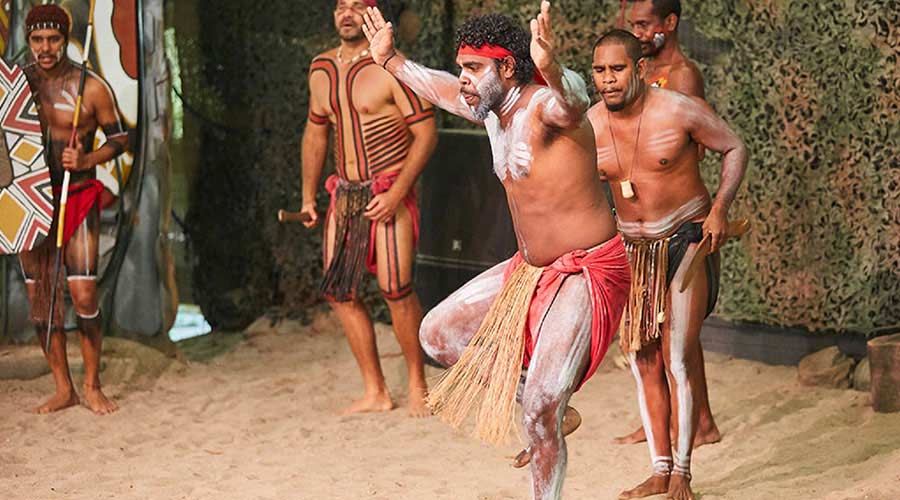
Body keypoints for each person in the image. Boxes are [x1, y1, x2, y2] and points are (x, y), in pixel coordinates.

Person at [363, 3, 630, 498]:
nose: (463, 78)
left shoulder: (546, 108)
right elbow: (441, 88)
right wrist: (391, 60)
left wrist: (551, 65)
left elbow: (572, 100)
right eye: (463, 67)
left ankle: (544, 428)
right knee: (438, 336)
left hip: (584, 271)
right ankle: (545, 404)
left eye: (474, 69)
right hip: (527, 270)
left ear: (507, 67)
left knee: (541, 406)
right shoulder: (489, 108)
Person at [586, 30, 748, 500]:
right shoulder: (590, 124)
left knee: (677, 356)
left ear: (638, 69)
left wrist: (718, 209)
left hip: (685, 241)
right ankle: (659, 471)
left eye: (617, 69)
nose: (607, 80)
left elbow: (734, 147)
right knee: (643, 359)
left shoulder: (678, 109)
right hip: (632, 251)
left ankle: (682, 473)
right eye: (599, 70)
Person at [300, 0, 438, 417]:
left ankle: (417, 382)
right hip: (344, 193)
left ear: (373, 14)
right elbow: (315, 133)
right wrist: (308, 195)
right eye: (341, 5)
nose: (346, 13)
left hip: (388, 190)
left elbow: (426, 135)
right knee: (340, 291)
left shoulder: (393, 67)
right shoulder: (321, 68)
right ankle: (375, 390)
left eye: (356, 6)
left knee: (396, 290)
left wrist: (397, 193)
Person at [614, 0, 721, 449]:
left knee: (678, 329)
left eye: (643, 24)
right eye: (631, 24)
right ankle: (678, 419)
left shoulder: (681, 75)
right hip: (643, 226)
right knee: (659, 328)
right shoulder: (642, 69)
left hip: (680, 222)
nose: (637, 31)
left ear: (669, 24)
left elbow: (695, 143)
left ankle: (697, 423)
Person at [19, 4, 129, 415]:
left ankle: (92, 383)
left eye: (53, 39)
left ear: (66, 41)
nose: (45, 48)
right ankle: (64, 388)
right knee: (42, 298)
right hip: (31, 202)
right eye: (37, 40)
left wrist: (86, 161)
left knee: (83, 293)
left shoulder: (92, 87)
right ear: (28, 42)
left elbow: (120, 138)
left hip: (78, 196)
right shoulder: (14, 87)